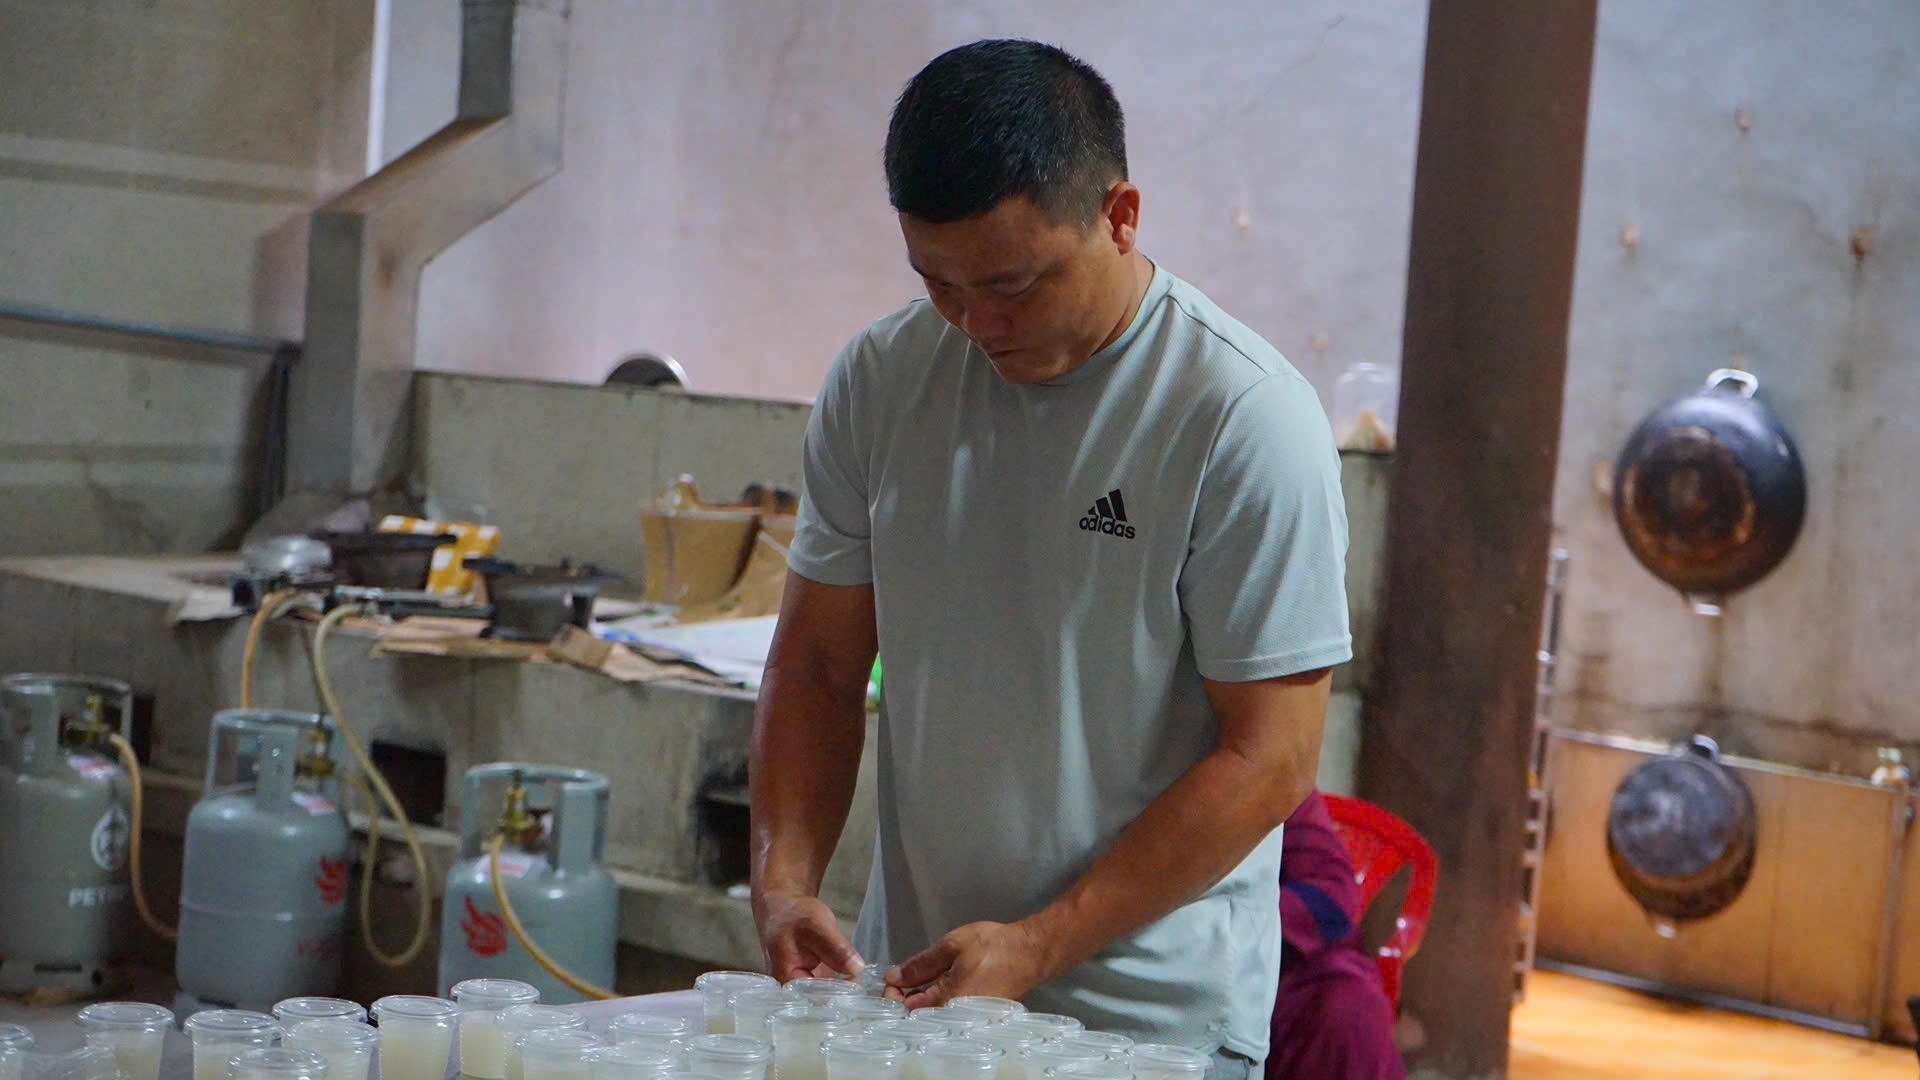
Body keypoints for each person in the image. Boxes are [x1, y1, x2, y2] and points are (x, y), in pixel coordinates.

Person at [749, 39, 1351, 1075]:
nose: (976, 323)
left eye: (1013, 284)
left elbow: (1271, 759)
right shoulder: (883, 381)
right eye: (939, 283)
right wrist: (783, 882)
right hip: (918, 999)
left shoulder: (1241, 419)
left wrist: (1039, 944)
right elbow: (817, 668)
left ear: (1120, 216)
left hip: (1149, 1029)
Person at [1268, 791, 1405, 1079]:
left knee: (1348, 1012)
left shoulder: (1277, 780)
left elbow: (1332, 898)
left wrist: (1242, 918)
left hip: (1279, 958)